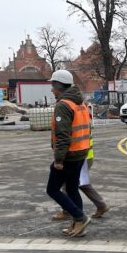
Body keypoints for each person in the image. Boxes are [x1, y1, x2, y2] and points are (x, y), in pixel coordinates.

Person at [45, 69, 92, 237]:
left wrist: (58, 159)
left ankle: (80, 217)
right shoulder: (80, 103)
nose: (52, 90)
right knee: (72, 189)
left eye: (53, 86)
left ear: (59, 86)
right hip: (81, 152)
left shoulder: (64, 105)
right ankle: (77, 225)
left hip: (69, 155)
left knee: (52, 189)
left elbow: (63, 135)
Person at [52, 115, 110, 221]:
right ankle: (101, 205)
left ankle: (68, 211)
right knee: (81, 183)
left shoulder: (74, 114)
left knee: (69, 184)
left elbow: (67, 136)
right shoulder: (82, 113)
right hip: (85, 155)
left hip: (80, 156)